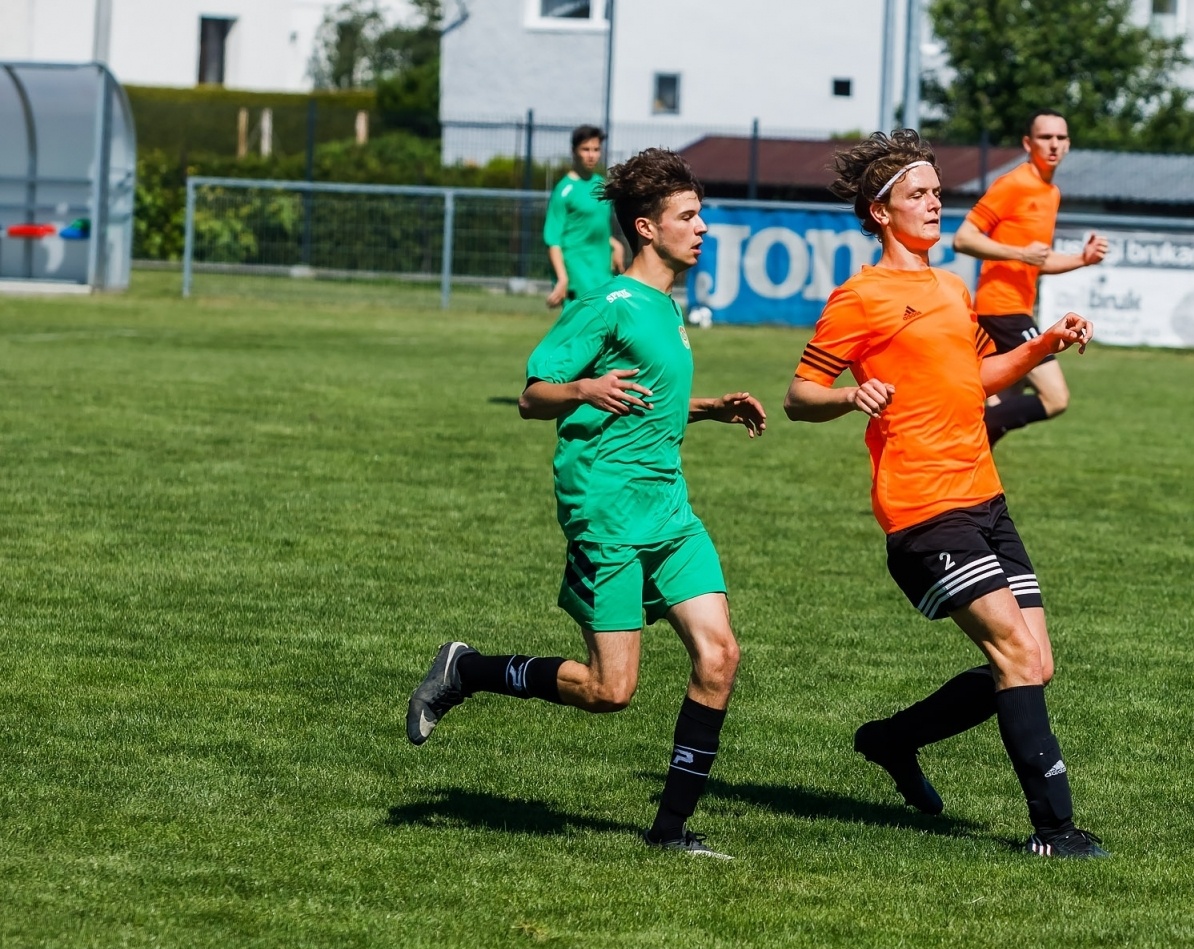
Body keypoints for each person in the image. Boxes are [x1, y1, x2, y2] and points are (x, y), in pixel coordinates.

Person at [409, 148, 767, 858]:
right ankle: (465, 669)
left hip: (669, 510)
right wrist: (582, 389)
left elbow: (643, 399)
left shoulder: (665, 305)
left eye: (701, 215)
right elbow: (531, 394)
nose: (703, 229)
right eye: (688, 217)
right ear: (645, 226)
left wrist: (707, 408)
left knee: (720, 656)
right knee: (610, 691)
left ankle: (670, 832)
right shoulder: (607, 303)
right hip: (606, 514)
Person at [782, 129, 1107, 859]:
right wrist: (847, 397)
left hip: (985, 496)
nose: (934, 204)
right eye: (918, 194)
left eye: (936, 192)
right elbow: (801, 393)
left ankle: (893, 739)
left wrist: (1043, 343)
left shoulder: (952, 288)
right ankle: (1055, 831)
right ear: (879, 211)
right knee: (1018, 660)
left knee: (1033, 661)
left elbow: (981, 378)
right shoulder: (861, 296)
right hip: (924, 508)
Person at [952, 109, 1109, 445]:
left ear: (1068, 144)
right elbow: (963, 238)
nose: (1053, 144)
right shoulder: (1014, 183)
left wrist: (1082, 259)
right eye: (1045, 137)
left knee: (1001, 408)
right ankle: (965, 429)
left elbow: (1037, 261)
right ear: (1028, 143)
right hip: (1002, 310)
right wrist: (1019, 253)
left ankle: (968, 480)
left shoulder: (1050, 193)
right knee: (1055, 398)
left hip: (1016, 308)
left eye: (1060, 137)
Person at [544, 125, 626, 308]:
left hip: (602, 267)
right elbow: (553, 240)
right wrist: (562, 278)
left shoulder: (601, 185)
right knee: (586, 325)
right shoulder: (564, 190)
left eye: (596, 150)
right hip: (577, 268)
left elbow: (593, 226)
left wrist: (615, 244)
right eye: (586, 149)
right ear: (574, 152)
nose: (591, 155)